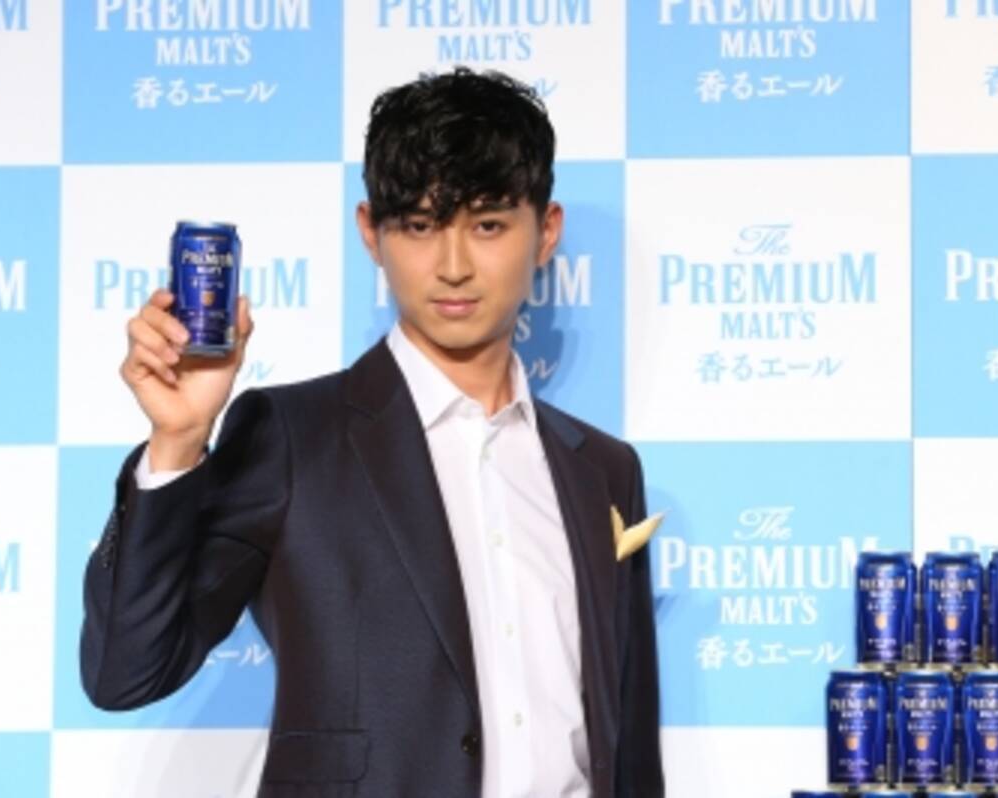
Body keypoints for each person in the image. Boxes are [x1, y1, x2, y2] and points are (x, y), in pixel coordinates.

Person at [80, 67, 663, 798]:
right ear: (371, 233)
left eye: (487, 225)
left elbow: (627, 743)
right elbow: (126, 672)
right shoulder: (293, 438)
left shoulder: (604, 470)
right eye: (419, 225)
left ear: (545, 233)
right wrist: (178, 443)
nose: (453, 266)